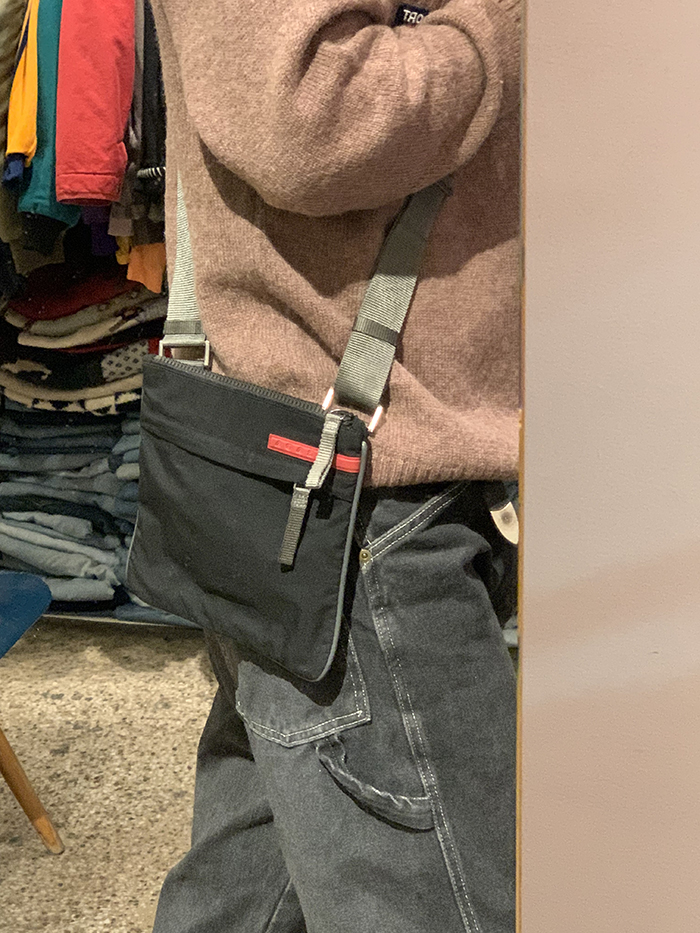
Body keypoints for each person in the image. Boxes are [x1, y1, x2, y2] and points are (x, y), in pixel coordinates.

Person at [148, 0, 521, 930]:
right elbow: (304, 118)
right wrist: (505, 25)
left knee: (247, 885)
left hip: (328, 468)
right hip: (359, 495)